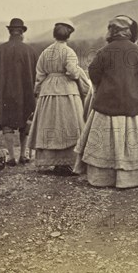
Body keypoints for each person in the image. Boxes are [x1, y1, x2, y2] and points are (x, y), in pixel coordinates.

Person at [74, 15, 138, 188]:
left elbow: (93, 74)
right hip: (133, 104)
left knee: (104, 143)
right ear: (128, 32)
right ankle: (133, 178)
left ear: (112, 31)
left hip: (107, 105)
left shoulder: (104, 51)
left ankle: (103, 178)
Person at [27, 21, 87, 176]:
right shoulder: (69, 52)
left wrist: (38, 91)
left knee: (50, 124)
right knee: (70, 124)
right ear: (68, 35)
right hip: (67, 90)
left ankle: (51, 161)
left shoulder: (45, 52)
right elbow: (73, 73)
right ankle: (69, 161)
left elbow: (39, 75)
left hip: (48, 90)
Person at [0, 18, 37, 166]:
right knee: (25, 123)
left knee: (7, 125)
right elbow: (38, 75)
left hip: (6, 94)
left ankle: (11, 158)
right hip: (25, 94)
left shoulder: (0, 51)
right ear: (22, 33)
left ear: (10, 32)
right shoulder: (30, 51)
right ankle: (23, 155)